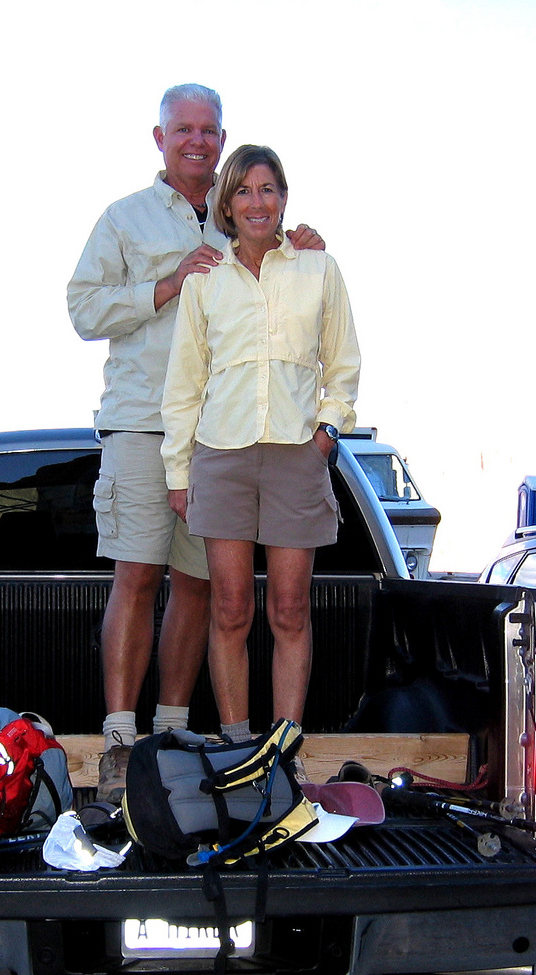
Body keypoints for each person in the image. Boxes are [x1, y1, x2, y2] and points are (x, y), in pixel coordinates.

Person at [67, 86, 324, 799]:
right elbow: (83, 307)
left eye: (209, 130)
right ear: (159, 136)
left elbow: (294, 291)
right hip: (143, 423)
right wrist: (165, 284)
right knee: (137, 575)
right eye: (184, 129)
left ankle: (173, 732)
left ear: (222, 138)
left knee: (198, 586)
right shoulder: (124, 219)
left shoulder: (240, 215)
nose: (197, 141)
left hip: (223, 441)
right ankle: (122, 742)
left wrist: (304, 248)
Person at [161, 144, 361, 739]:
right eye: (244, 190)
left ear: (283, 198)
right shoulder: (205, 280)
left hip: (296, 457)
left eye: (268, 189)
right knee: (230, 610)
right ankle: (239, 745)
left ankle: (284, 751)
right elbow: (185, 382)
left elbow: (342, 365)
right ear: (228, 202)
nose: (257, 201)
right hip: (220, 458)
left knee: (290, 611)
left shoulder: (318, 269)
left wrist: (324, 436)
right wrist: (179, 473)